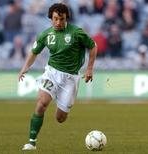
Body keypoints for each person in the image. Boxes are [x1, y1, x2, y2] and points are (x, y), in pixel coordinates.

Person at [18, 3, 97, 151]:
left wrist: (90, 68)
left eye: (61, 19)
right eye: (55, 19)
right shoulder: (46, 35)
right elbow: (34, 52)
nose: (58, 22)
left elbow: (93, 46)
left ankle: (59, 101)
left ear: (66, 17)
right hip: (52, 73)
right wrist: (25, 68)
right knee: (42, 103)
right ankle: (31, 142)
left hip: (70, 79)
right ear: (50, 18)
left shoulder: (77, 33)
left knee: (60, 118)